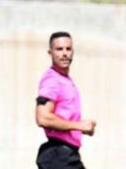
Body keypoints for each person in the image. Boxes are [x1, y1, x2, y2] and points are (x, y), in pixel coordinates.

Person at [35, 31, 96, 169]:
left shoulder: (65, 80)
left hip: (66, 155)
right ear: (50, 53)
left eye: (68, 49)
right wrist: (79, 126)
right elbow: (42, 118)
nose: (64, 53)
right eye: (59, 49)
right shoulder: (52, 80)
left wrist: (82, 127)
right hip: (59, 156)